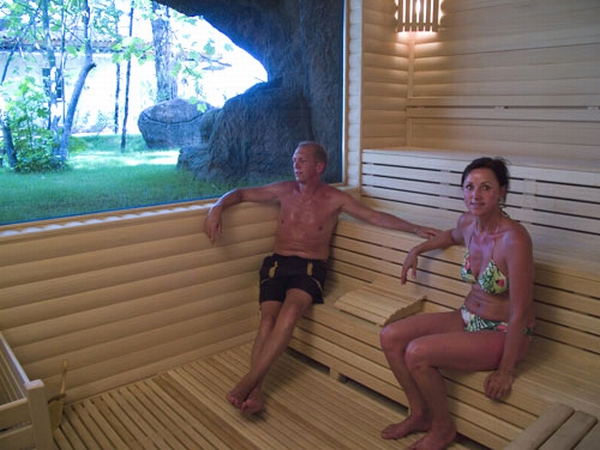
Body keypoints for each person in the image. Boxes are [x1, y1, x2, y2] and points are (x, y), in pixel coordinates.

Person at [204, 141, 441, 416]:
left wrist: (414, 228)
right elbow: (242, 193)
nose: (295, 164)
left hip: (310, 267)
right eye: (294, 159)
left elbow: (375, 217)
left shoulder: (334, 199)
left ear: (319, 167)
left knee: (290, 312)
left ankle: (247, 382)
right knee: (267, 319)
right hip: (278, 263)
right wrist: (217, 207)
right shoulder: (284, 190)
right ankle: (255, 391)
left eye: (302, 160)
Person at [379, 157, 535, 450]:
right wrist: (418, 248)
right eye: (469, 187)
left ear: (501, 192)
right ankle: (420, 414)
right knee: (390, 336)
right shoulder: (468, 224)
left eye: (486, 187)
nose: (476, 195)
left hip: (503, 330)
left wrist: (506, 370)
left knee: (417, 353)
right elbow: (451, 237)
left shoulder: (515, 239)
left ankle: (443, 429)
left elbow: (520, 311)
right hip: (468, 316)